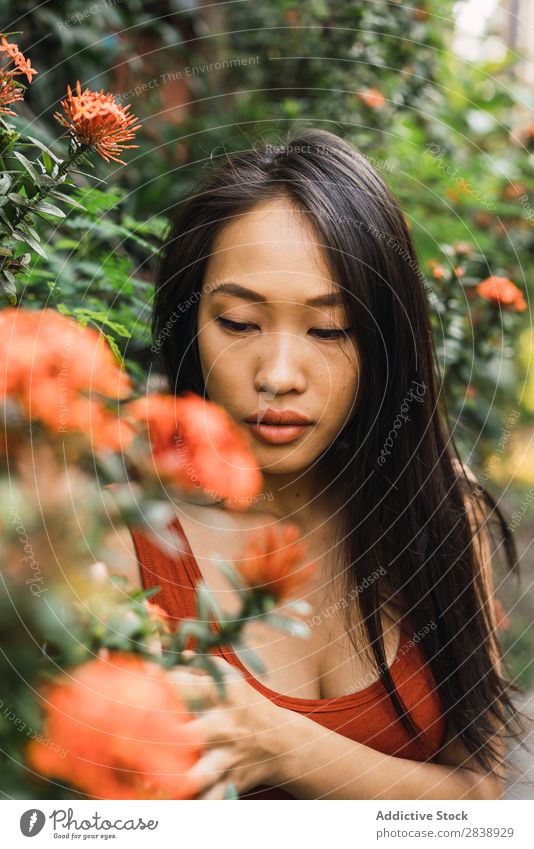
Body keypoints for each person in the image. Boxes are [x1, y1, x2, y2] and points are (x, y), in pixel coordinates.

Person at [109, 128, 528, 800]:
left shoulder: (440, 511)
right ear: (189, 324)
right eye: (240, 322)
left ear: (386, 340)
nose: (277, 375)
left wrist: (282, 743)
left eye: (330, 329)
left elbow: (480, 796)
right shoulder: (125, 533)